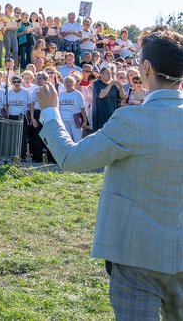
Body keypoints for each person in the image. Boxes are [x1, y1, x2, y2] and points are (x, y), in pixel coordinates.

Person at [37, 26, 183, 320]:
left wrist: (50, 112)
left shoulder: (132, 120)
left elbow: (71, 157)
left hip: (135, 257)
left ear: (146, 67)